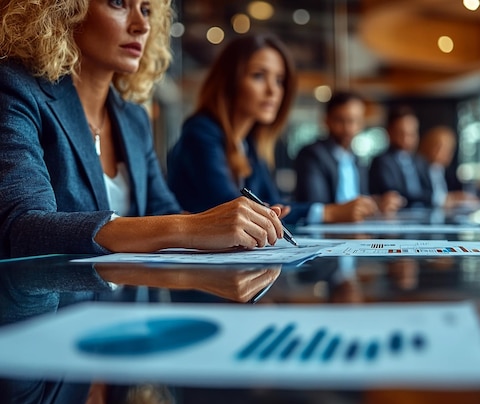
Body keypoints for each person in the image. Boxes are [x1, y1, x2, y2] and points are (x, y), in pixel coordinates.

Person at [0, 0, 285, 259]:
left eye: (146, 10)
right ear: (65, 11)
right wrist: (188, 227)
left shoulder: (133, 118)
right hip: (50, 310)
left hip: (132, 303)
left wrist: (222, 233)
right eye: (118, 3)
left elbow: (164, 212)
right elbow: (22, 227)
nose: (142, 25)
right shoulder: (17, 90)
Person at [167, 34, 385, 225]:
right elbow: (235, 210)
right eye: (259, 76)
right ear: (229, 82)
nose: (273, 90)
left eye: (279, 80)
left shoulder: (248, 143)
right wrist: (327, 212)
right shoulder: (201, 132)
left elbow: (275, 207)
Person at [293, 91, 405, 217]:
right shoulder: (311, 155)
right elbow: (315, 204)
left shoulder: (357, 160)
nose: (348, 128)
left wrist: (377, 203)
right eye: (340, 120)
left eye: (354, 121)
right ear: (326, 121)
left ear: (362, 123)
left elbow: (360, 198)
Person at [368, 106, 432, 207]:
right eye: (401, 133)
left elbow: (429, 191)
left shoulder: (420, 161)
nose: (406, 139)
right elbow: (393, 193)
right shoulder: (382, 161)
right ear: (389, 132)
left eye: (411, 134)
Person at [418, 125, 480, 209]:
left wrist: (457, 198)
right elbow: (419, 196)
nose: (446, 153)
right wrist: (450, 199)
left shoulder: (442, 171)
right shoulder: (418, 169)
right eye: (438, 147)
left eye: (449, 149)